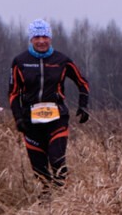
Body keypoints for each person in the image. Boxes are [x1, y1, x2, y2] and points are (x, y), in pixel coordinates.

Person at [7, 19, 90, 189]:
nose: (41, 41)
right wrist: (18, 118)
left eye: (45, 36)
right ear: (31, 39)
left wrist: (83, 105)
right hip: (30, 121)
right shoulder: (20, 61)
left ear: (50, 38)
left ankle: (63, 196)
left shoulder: (62, 60)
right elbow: (13, 93)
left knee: (57, 158)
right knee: (39, 169)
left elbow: (82, 82)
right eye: (37, 37)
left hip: (57, 117)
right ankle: (46, 202)